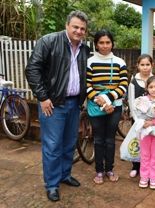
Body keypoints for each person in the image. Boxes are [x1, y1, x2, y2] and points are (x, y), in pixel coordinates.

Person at [25, 10, 90, 202]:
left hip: (74, 103)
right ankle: (52, 184)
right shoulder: (48, 41)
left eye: (82, 29)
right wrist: (43, 97)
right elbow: (32, 69)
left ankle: (64, 174)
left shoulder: (85, 50)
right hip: (52, 104)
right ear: (67, 25)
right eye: (75, 27)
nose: (79, 31)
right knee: (52, 145)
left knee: (69, 142)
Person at [86, 29, 128, 185]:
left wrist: (107, 99)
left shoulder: (119, 62)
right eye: (101, 43)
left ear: (112, 43)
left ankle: (109, 169)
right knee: (98, 139)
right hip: (95, 106)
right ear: (96, 44)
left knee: (110, 140)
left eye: (107, 42)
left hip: (115, 107)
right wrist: (101, 102)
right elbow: (87, 85)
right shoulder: (89, 62)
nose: (104, 46)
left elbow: (123, 85)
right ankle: (98, 171)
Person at [132, 76, 155, 189]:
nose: (154, 89)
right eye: (151, 87)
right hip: (144, 132)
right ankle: (144, 177)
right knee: (145, 155)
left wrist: (153, 122)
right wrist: (143, 122)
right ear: (147, 88)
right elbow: (137, 113)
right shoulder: (142, 100)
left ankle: (154, 177)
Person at [128, 54, 154, 178]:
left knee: (150, 144)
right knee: (137, 142)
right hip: (138, 120)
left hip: (151, 120)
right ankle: (135, 166)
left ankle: (148, 166)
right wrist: (136, 119)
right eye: (142, 65)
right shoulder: (133, 82)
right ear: (138, 66)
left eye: (147, 64)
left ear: (152, 65)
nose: (145, 67)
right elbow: (131, 101)